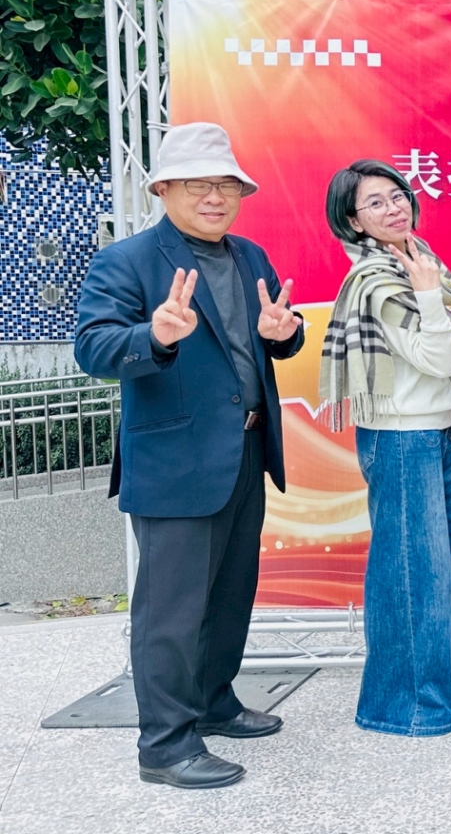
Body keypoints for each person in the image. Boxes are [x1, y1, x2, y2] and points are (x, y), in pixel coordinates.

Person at [74, 123, 304, 789]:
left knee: (230, 595)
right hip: (174, 462)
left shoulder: (250, 256)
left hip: (246, 450)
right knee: (169, 613)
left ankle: (213, 701)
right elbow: (92, 347)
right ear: (163, 189)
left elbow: (270, 339)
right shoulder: (128, 261)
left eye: (228, 185)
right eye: (199, 184)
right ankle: (166, 745)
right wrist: (155, 334)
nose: (215, 196)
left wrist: (282, 336)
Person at [319, 160, 451, 736]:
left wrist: (430, 289)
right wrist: (429, 297)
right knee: (412, 570)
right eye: (375, 203)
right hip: (400, 435)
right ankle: (406, 703)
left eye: (397, 195)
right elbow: (435, 357)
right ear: (353, 221)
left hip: (431, 430)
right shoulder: (377, 280)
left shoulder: (418, 261)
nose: (393, 208)